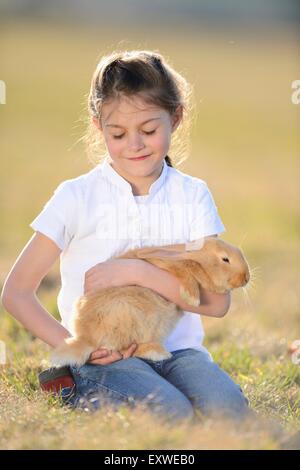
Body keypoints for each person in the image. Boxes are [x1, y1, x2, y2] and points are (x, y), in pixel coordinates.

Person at [1, 50, 249, 421]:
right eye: (118, 133)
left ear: (175, 118)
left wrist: (138, 273)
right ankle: (70, 385)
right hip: (105, 354)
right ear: (99, 127)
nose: (134, 144)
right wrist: (72, 345)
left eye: (148, 130)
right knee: (172, 412)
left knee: (228, 409)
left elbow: (216, 303)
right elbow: (17, 292)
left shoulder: (192, 195)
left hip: (176, 351)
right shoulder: (76, 196)